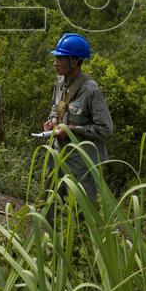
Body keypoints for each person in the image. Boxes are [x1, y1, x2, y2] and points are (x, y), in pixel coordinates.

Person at [43, 32, 113, 203]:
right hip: (57, 156)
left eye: (60, 58)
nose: (55, 63)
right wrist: (52, 122)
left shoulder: (91, 90)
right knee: (50, 205)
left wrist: (72, 130)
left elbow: (106, 129)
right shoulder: (60, 82)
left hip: (81, 165)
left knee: (82, 213)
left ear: (74, 61)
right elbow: (56, 108)